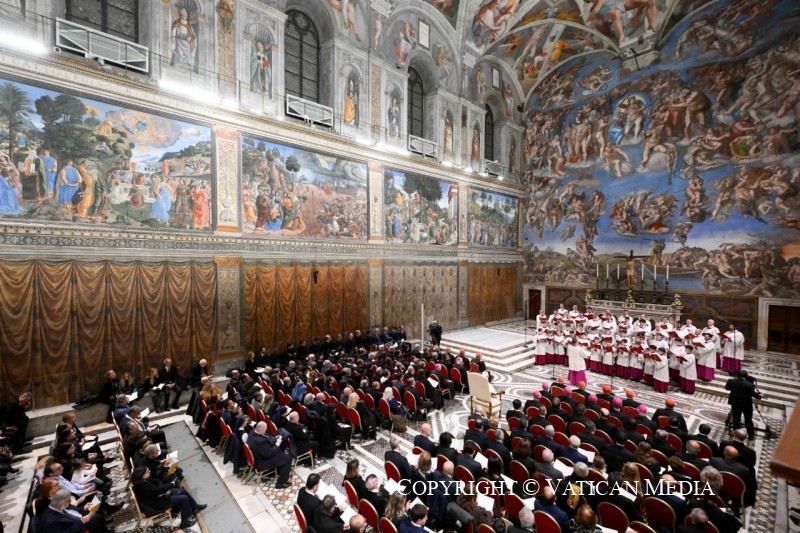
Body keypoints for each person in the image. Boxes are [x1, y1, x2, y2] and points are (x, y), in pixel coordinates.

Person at [131, 466, 205, 529]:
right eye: (147, 471)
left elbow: (157, 482)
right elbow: (158, 490)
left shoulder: (143, 481)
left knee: (182, 491)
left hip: (157, 497)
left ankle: (194, 507)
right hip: (157, 504)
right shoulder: (144, 486)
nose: (149, 471)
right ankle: (185, 522)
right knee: (184, 498)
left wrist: (160, 491)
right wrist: (171, 484)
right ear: (142, 475)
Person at [248, 421, 292, 489]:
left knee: (281, 454)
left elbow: (265, 437)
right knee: (288, 459)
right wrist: (277, 443)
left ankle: (280, 470)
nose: (266, 430)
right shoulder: (259, 442)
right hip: (263, 461)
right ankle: (281, 483)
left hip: (261, 454)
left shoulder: (253, 431)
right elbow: (269, 453)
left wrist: (274, 439)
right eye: (265, 429)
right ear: (262, 429)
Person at [725, 370, 762, 440]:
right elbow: (753, 394)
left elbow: (727, 388)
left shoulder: (731, 381)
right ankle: (751, 436)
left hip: (735, 403)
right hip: (746, 405)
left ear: (737, 375)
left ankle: (737, 434)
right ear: (746, 376)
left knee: (736, 420)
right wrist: (761, 396)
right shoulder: (749, 385)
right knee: (748, 420)